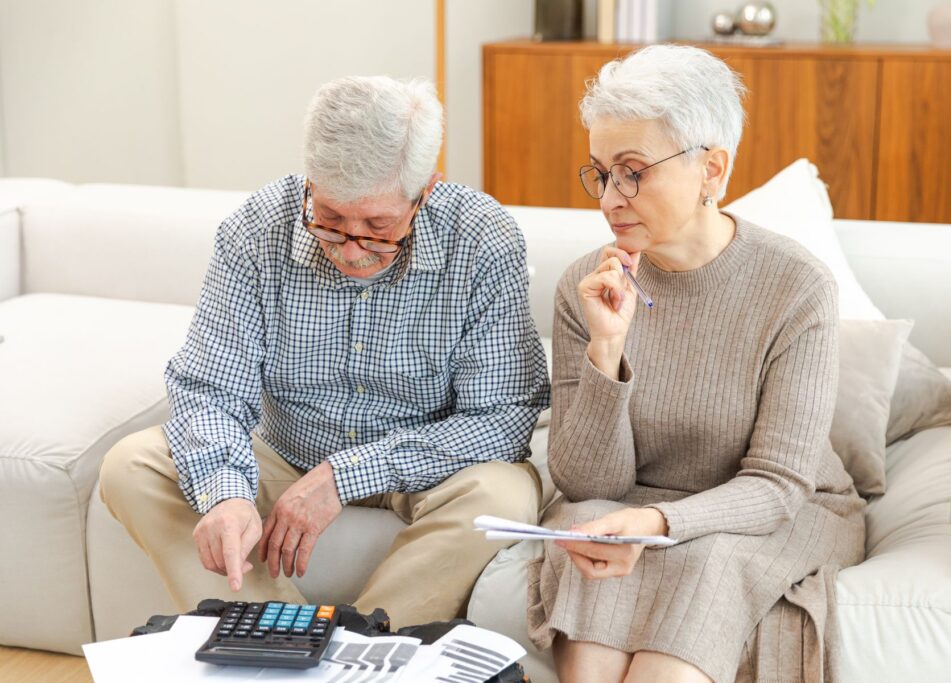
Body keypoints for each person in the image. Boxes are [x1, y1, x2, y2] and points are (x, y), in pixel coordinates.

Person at [99, 75, 548, 628]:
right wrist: (225, 494)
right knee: (132, 465)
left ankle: (367, 644)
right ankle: (283, 640)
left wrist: (346, 475)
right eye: (330, 221)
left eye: (378, 228)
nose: (351, 250)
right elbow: (208, 389)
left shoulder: (483, 238)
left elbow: (503, 418)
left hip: (427, 465)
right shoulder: (256, 227)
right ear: (310, 184)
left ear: (425, 192)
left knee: (503, 498)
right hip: (288, 451)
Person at [526, 45, 865, 683]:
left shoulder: (796, 287)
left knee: (703, 578)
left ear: (711, 170)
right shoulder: (588, 285)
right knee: (586, 554)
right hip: (636, 503)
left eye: (633, 171)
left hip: (778, 506)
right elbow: (586, 482)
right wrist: (607, 349)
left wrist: (657, 524)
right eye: (600, 172)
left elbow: (777, 485)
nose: (609, 198)